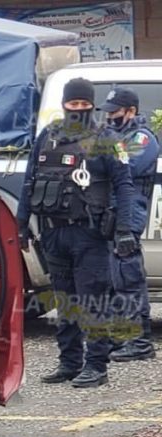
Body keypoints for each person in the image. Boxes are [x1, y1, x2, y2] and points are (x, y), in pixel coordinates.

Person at [17, 77, 136, 388]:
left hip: (90, 234)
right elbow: (29, 181)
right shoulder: (48, 135)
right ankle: (69, 363)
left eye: (84, 104)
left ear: (92, 105)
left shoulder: (108, 138)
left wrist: (125, 230)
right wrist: (21, 225)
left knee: (92, 301)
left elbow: (124, 186)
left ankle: (96, 365)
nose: (78, 109)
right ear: (65, 104)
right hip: (54, 234)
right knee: (65, 302)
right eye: (74, 104)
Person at [101, 87, 160, 362]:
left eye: (115, 112)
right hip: (112, 213)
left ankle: (140, 342)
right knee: (114, 280)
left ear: (131, 111)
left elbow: (124, 167)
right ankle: (123, 335)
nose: (110, 117)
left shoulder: (142, 138)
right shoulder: (118, 137)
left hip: (129, 215)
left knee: (129, 279)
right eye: (108, 112)